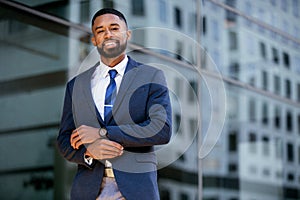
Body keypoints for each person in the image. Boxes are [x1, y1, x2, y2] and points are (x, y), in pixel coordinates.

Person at [57, 8, 172, 200]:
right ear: (94, 40)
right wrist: (89, 153)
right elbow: (64, 140)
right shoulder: (76, 86)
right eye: (100, 30)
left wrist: (104, 133)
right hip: (89, 191)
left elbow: (162, 128)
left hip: (136, 191)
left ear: (127, 35)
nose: (108, 34)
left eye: (114, 28)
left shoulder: (151, 77)